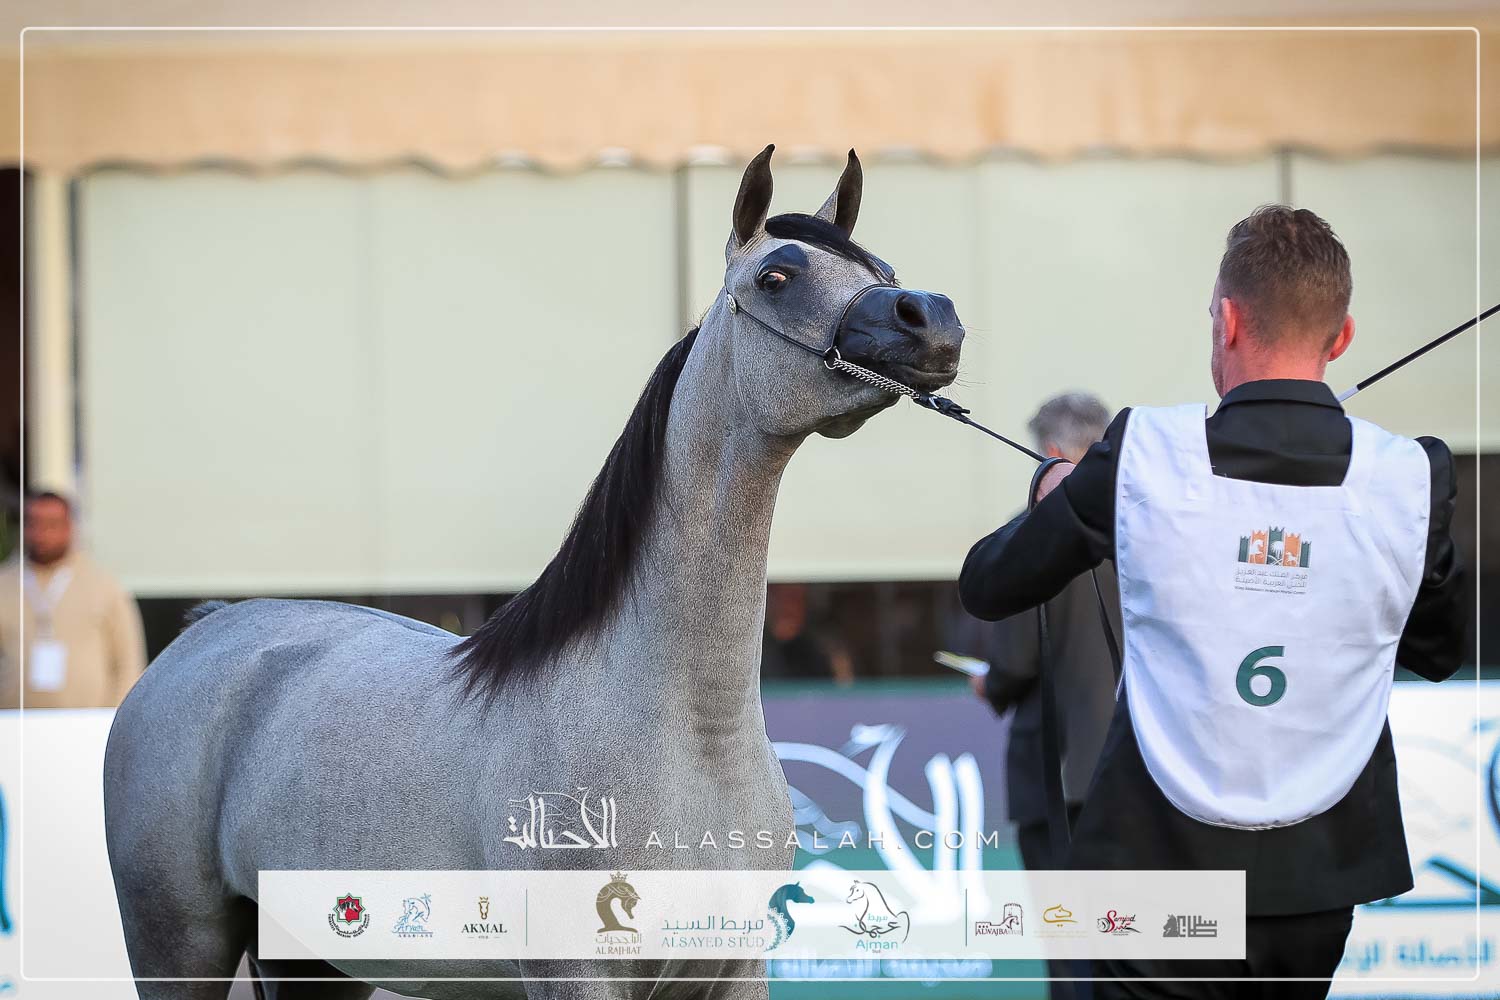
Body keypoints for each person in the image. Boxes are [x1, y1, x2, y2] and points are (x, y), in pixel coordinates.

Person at [959, 205, 1464, 999]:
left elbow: (989, 585)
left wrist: (1053, 491)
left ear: (1226, 321)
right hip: (1318, 875)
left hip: (1157, 862)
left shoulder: (1142, 453)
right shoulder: (1411, 474)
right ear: (1341, 337)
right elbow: (1438, 652)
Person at [964, 392, 1121, 1000]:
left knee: (1069, 944)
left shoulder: (1039, 533)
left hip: (1058, 771)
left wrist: (991, 682)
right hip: (1140, 769)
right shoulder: (1145, 523)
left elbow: (1016, 658)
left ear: (1052, 453)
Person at [0, 491, 147, 709]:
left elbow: (128, 660)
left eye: (52, 524)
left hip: (86, 720)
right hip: (13, 721)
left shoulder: (103, 585)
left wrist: (114, 715)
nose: (41, 533)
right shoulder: (5, 583)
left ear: (70, 527)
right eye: (33, 523)